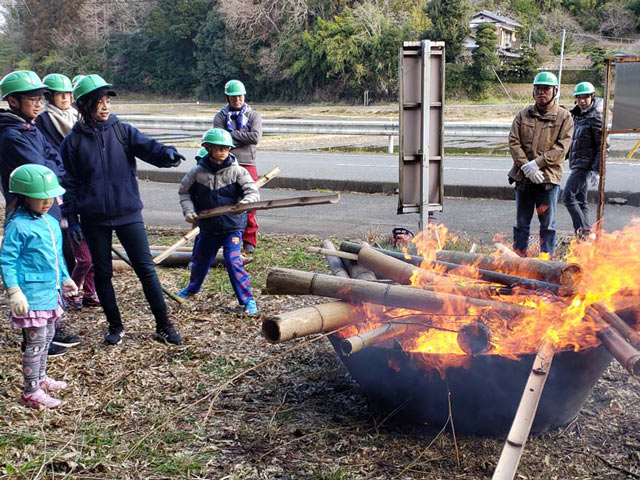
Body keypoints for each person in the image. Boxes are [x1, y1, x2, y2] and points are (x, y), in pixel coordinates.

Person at [60, 74, 185, 345]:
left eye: (107, 100)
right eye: (99, 101)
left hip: (128, 213)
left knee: (146, 269)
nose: (105, 106)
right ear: (84, 105)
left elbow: (149, 148)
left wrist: (168, 154)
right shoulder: (72, 142)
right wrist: (72, 219)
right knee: (103, 273)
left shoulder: (122, 131)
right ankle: (115, 326)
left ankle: (163, 325)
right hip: (93, 218)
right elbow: (68, 183)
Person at [0, 70, 78, 356]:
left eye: (40, 98)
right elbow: (40, 168)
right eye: (31, 98)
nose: (38, 103)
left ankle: (51, 327)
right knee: (32, 264)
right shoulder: (11, 135)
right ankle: (35, 334)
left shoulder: (30, 129)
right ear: (13, 101)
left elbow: (52, 158)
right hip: (28, 208)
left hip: (46, 202)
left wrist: (51, 172)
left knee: (51, 259)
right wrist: (50, 172)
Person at [0, 164, 78, 408]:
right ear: (24, 196)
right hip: (31, 296)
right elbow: (7, 260)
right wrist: (14, 290)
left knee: (49, 336)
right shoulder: (18, 226)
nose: (47, 203)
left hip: (50, 292)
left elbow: (57, 256)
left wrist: (65, 277)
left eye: (50, 197)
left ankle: (41, 377)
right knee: (35, 342)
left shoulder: (51, 223)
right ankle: (30, 390)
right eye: (40, 198)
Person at [177, 128, 260, 315]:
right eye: (219, 148)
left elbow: (253, 192)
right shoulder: (197, 173)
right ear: (207, 148)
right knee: (200, 259)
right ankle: (192, 288)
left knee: (233, 261)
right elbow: (184, 192)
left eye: (226, 148)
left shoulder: (238, 172)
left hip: (232, 226)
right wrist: (189, 210)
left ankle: (247, 300)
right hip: (208, 227)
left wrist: (245, 203)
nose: (223, 151)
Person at [35, 73, 100, 310]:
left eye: (69, 94)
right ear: (50, 97)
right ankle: (69, 290)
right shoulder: (43, 121)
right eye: (61, 95)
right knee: (69, 244)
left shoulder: (78, 118)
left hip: (84, 187)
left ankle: (88, 292)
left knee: (87, 248)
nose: (66, 98)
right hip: (60, 187)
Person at [508, 71, 574, 257]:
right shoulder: (523, 115)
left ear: (555, 91)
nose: (541, 92)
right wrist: (525, 166)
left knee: (548, 225)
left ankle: (546, 263)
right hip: (524, 180)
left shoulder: (564, 117)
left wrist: (537, 164)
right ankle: (519, 261)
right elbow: (514, 141)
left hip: (547, 180)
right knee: (521, 224)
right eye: (538, 89)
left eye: (546, 89)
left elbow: (562, 147)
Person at [213, 80, 262, 254]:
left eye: (240, 96)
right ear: (228, 97)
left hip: (248, 163)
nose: (237, 100)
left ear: (244, 96)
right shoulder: (220, 116)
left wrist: (231, 135)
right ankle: (226, 238)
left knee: (250, 201)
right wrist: (240, 138)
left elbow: (255, 137)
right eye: (233, 97)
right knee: (224, 201)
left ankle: (249, 241)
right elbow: (218, 141)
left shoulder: (253, 115)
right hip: (225, 164)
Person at [563, 81, 602, 240]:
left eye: (585, 97)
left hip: (584, 165)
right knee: (580, 200)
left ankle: (584, 233)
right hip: (576, 163)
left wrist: (597, 169)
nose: (582, 101)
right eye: (579, 98)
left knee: (567, 196)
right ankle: (585, 235)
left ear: (592, 97)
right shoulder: (578, 114)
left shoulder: (595, 116)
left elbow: (602, 145)